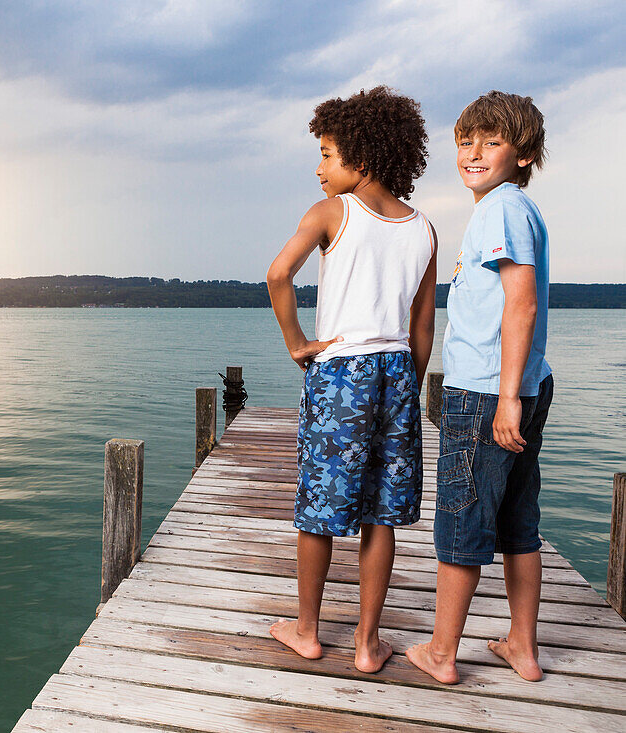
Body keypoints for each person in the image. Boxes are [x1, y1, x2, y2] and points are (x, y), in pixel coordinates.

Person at [266, 86, 437, 674]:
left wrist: (297, 345)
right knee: (381, 512)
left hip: (340, 370)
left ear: (360, 159)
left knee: (320, 504)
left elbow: (277, 274)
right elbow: (421, 326)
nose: (319, 169)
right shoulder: (425, 229)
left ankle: (308, 631)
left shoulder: (331, 213)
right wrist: (407, 387)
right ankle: (367, 644)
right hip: (396, 372)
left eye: (327, 155)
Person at [406, 91, 550, 684]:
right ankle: (522, 645)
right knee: (518, 520)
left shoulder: (500, 210)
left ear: (523, 154)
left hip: (488, 393)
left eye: (492, 142)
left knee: (462, 519)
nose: (475, 152)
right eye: (467, 141)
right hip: (518, 386)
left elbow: (520, 302)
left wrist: (506, 397)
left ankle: (442, 654)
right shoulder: (515, 208)